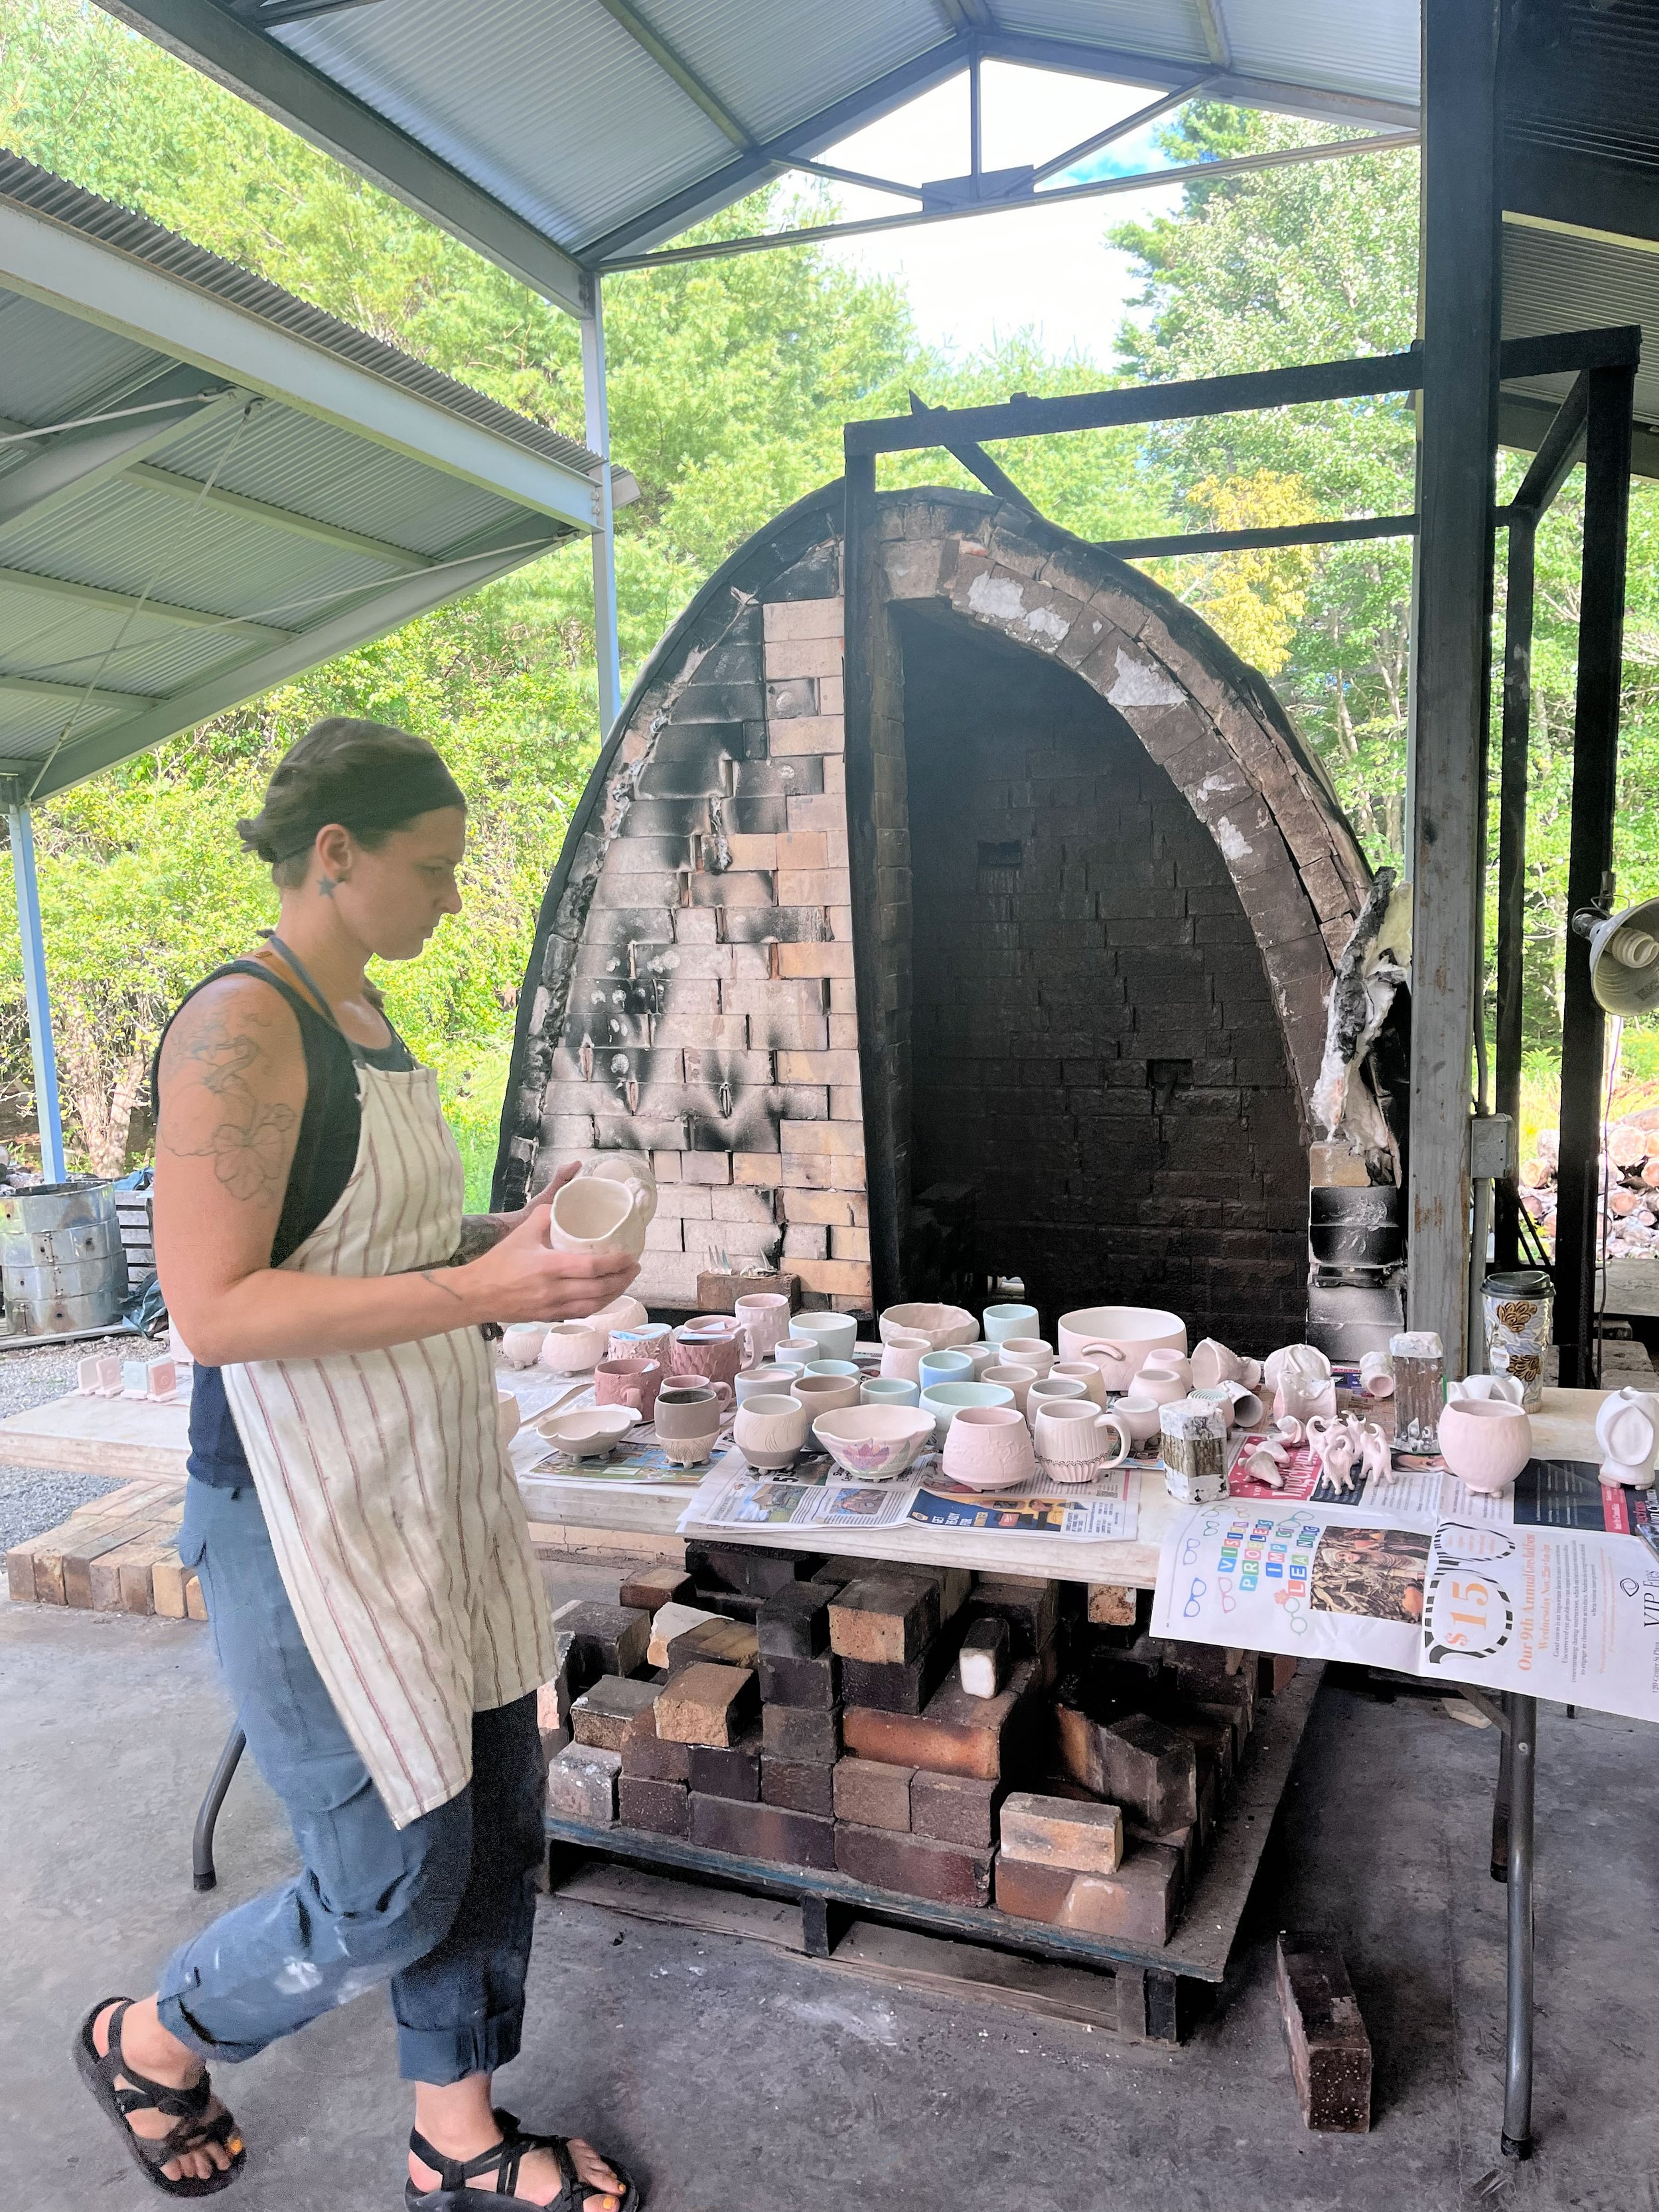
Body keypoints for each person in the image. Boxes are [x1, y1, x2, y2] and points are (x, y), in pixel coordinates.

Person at [74, 718, 644, 2210]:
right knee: (387, 1884)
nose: (453, 898)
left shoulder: (367, 1022)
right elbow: (216, 1306)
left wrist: (500, 1244)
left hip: (422, 1486)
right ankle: (152, 2035)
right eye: (434, 868)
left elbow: (356, 1244)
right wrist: (483, 1294)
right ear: (335, 855)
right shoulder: (239, 1027)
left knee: (490, 1818)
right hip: (299, 1517)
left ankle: (454, 2135)